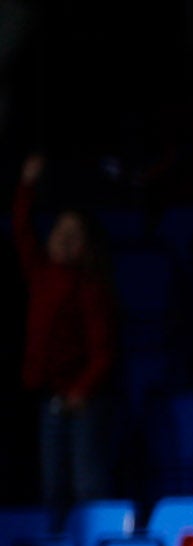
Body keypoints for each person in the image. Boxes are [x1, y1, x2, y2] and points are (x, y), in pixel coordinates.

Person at [15, 158, 111, 510]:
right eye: (60, 231)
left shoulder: (90, 290)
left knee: (88, 483)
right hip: (49, 397)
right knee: (51, 486)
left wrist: (81, 391)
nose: (65, 240)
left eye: (75, 236)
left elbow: (103, 352)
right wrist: (27, 185)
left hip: (81, 400)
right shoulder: (41, 274)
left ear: (86, 246)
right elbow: (22, 230)